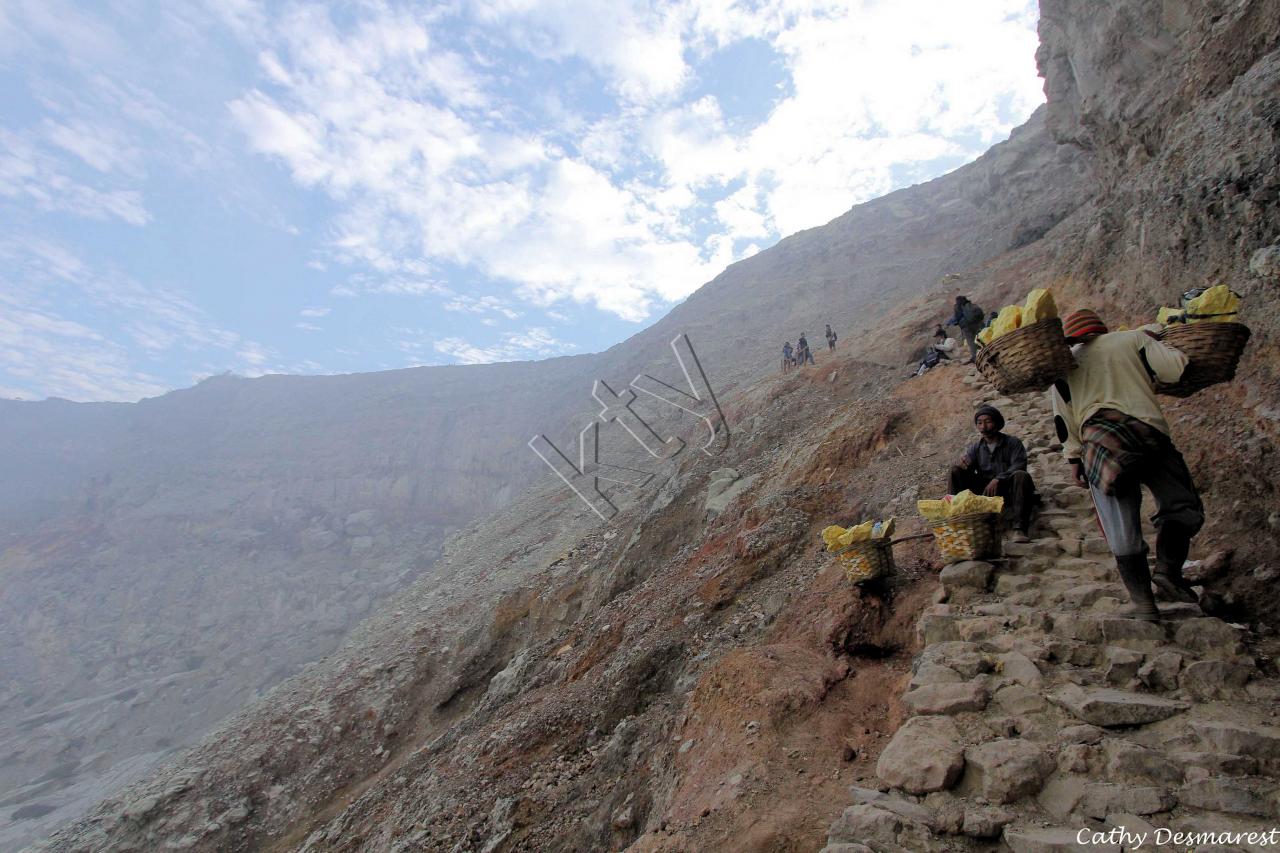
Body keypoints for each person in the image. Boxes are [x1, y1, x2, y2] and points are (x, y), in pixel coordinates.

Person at [1050, 309, 1201, 622]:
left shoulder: (1063, 365)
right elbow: (1176, 369)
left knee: (1119, 524)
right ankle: (1168, 570)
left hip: (1101, 444)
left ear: (1072, 337)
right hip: (1149, 435)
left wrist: (1074, 458)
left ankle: (1144, 604)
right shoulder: (1133, 338)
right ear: (1102, 327)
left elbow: (1063, 421)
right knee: (1181, 504)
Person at [949, 405, 1037, 540]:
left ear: (997, 423)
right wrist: (963, 466)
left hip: (1009, 489)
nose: (983, 427)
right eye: (979, 423)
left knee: (1021, 475)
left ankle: (1019, 529)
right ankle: (956, 522)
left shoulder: (1013, 443)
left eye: (988, 422)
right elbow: (968, 468)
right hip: (986, 491)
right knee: (955, 471)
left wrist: (998, 479)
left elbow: (1019, 464)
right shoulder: (976, 447)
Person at [946, 295, 986, 363]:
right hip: (977, 324)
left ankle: (976, 357)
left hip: (966, 327)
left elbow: (955, 318)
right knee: (981, 338)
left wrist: (948, 323)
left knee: (971, 342)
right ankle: (987, 351)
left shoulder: (958, 307)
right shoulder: (971, 305)